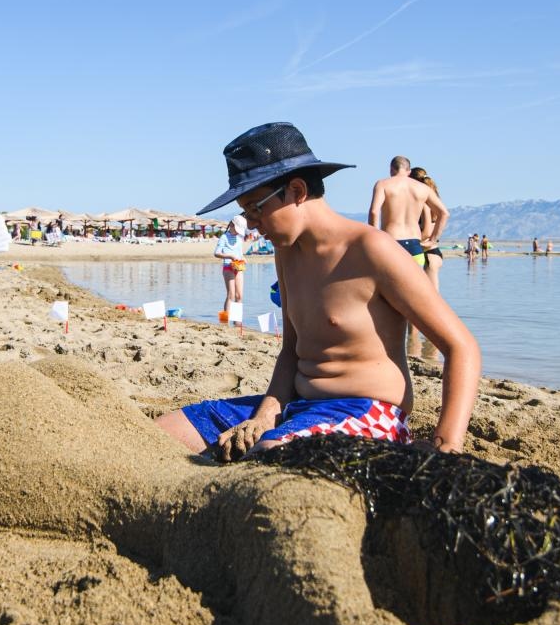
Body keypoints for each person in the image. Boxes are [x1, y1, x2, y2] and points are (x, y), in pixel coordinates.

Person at [156, 123, 480, 460]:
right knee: (159, 436)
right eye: (245, 212)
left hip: (368, 410)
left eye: (255, 208)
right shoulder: (287, 252)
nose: (251, 223)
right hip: (295, 406)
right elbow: (292, 351)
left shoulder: (372, 250)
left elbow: (461, 347)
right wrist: (266, 413)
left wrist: (446, 444)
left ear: (296, 191)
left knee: (271, 457)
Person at [368, 155, 448, 270]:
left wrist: (374, 238)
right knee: (412, 287)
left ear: (391, 169)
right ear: (409, 171)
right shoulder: (423, 188)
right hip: (415, 246)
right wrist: (433, 240)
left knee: (388, 287)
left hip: (392, 242)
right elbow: (444, 213)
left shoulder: (383, 184)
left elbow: (374, 212)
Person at [408, 166, 447, 294]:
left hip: (428, 254)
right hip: (433, 253)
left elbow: (426, 232)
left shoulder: (424, 203)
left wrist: (414, 244)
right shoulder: (434, 200)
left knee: (433, 297)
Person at [213, 214, 248, 314]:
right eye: (237, 229)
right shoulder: (224, 237)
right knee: (231, 295)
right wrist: (231, 256)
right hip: (228, 267)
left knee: (239, 296)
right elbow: (217, 253)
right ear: (232, 225)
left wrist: (243, 258)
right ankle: (225, 321)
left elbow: (240, 253)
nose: (238, 232)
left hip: (239, 267)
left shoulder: (239, 238)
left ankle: (237, 322)